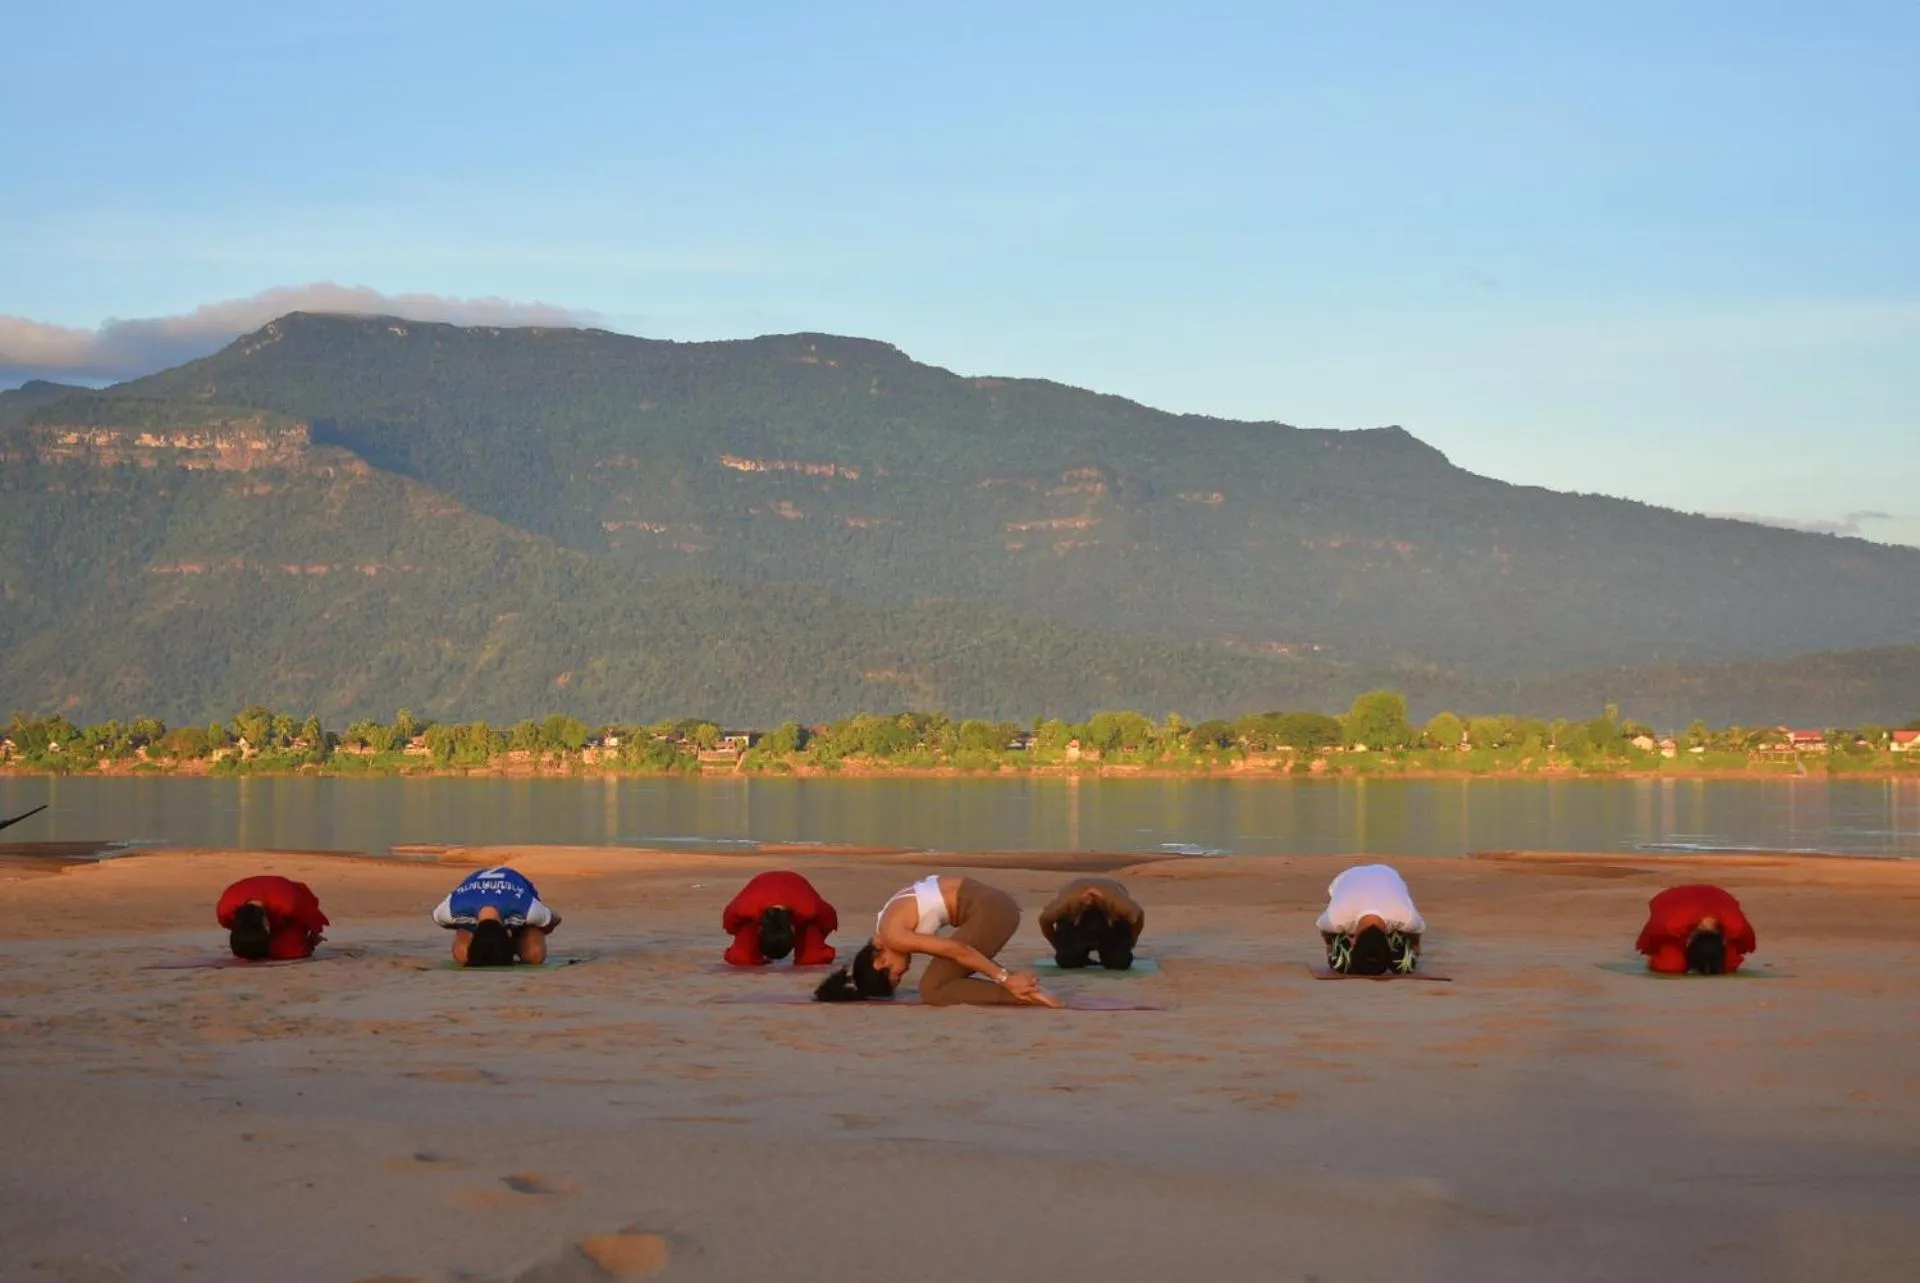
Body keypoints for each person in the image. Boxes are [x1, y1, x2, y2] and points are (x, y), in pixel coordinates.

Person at [814, 874, 1062, 1006]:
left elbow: (957, 950)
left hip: (991, 910)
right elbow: (956, 955)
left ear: (880, 962)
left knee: (931, 990)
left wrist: (1005, 979)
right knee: (942, 977)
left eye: (897, 975)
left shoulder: (893, 936)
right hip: (993, 906)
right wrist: (1003, 974)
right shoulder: (884, 927)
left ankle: (1024, 993)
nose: (905, 971)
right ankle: (1023, 988)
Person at [431, 865, 561, 966]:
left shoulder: (526, 909)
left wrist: (538, 926)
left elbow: (554, 918)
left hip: (517, 916)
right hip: (476, 917)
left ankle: (510, 946)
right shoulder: (452, 910)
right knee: (462, 956)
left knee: (534, 955)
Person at [1316, 863, 1425, 975]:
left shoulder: (1405, 917)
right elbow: (1324, 930)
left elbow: (1417, 932)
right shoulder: (1337, 919)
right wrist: (1330, 945)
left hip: (1388, 875)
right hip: (1347, 877)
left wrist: (1415, 946)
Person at [722, 869, 840, 966]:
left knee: (813, 959)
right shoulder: (746, 909)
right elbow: (729, 922)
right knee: (742, 959)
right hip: (763, 891)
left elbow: (829, 919)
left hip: (793, 887)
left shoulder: (809, 909)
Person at [1635, 884, 1757, 975]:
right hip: (1674, 899)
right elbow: (1651, 936)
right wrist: (1652, 953)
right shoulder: (1672, 924)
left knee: (1729, 966)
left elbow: (1745, 941)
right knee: (1669, 966)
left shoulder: (1736, 925)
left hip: (1718, 898)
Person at [1039, 876, 1146, 969]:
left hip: (1112, 925)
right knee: (1067, 961)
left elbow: (1139, 916)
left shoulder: (1118, 903)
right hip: (1074, 925)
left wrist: (1130, 943)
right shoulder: (1067, 903)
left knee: (1119, 963)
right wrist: (1058, 947)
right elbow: (1044, 920)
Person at [216, 874, 330, 961]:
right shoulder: (225, 910)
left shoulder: (289, 904)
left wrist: (312, 938)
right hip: (263, 908)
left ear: (267, 925)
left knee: (292, 952)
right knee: (248, 947)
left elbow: (311, 915)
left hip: (290, 910)